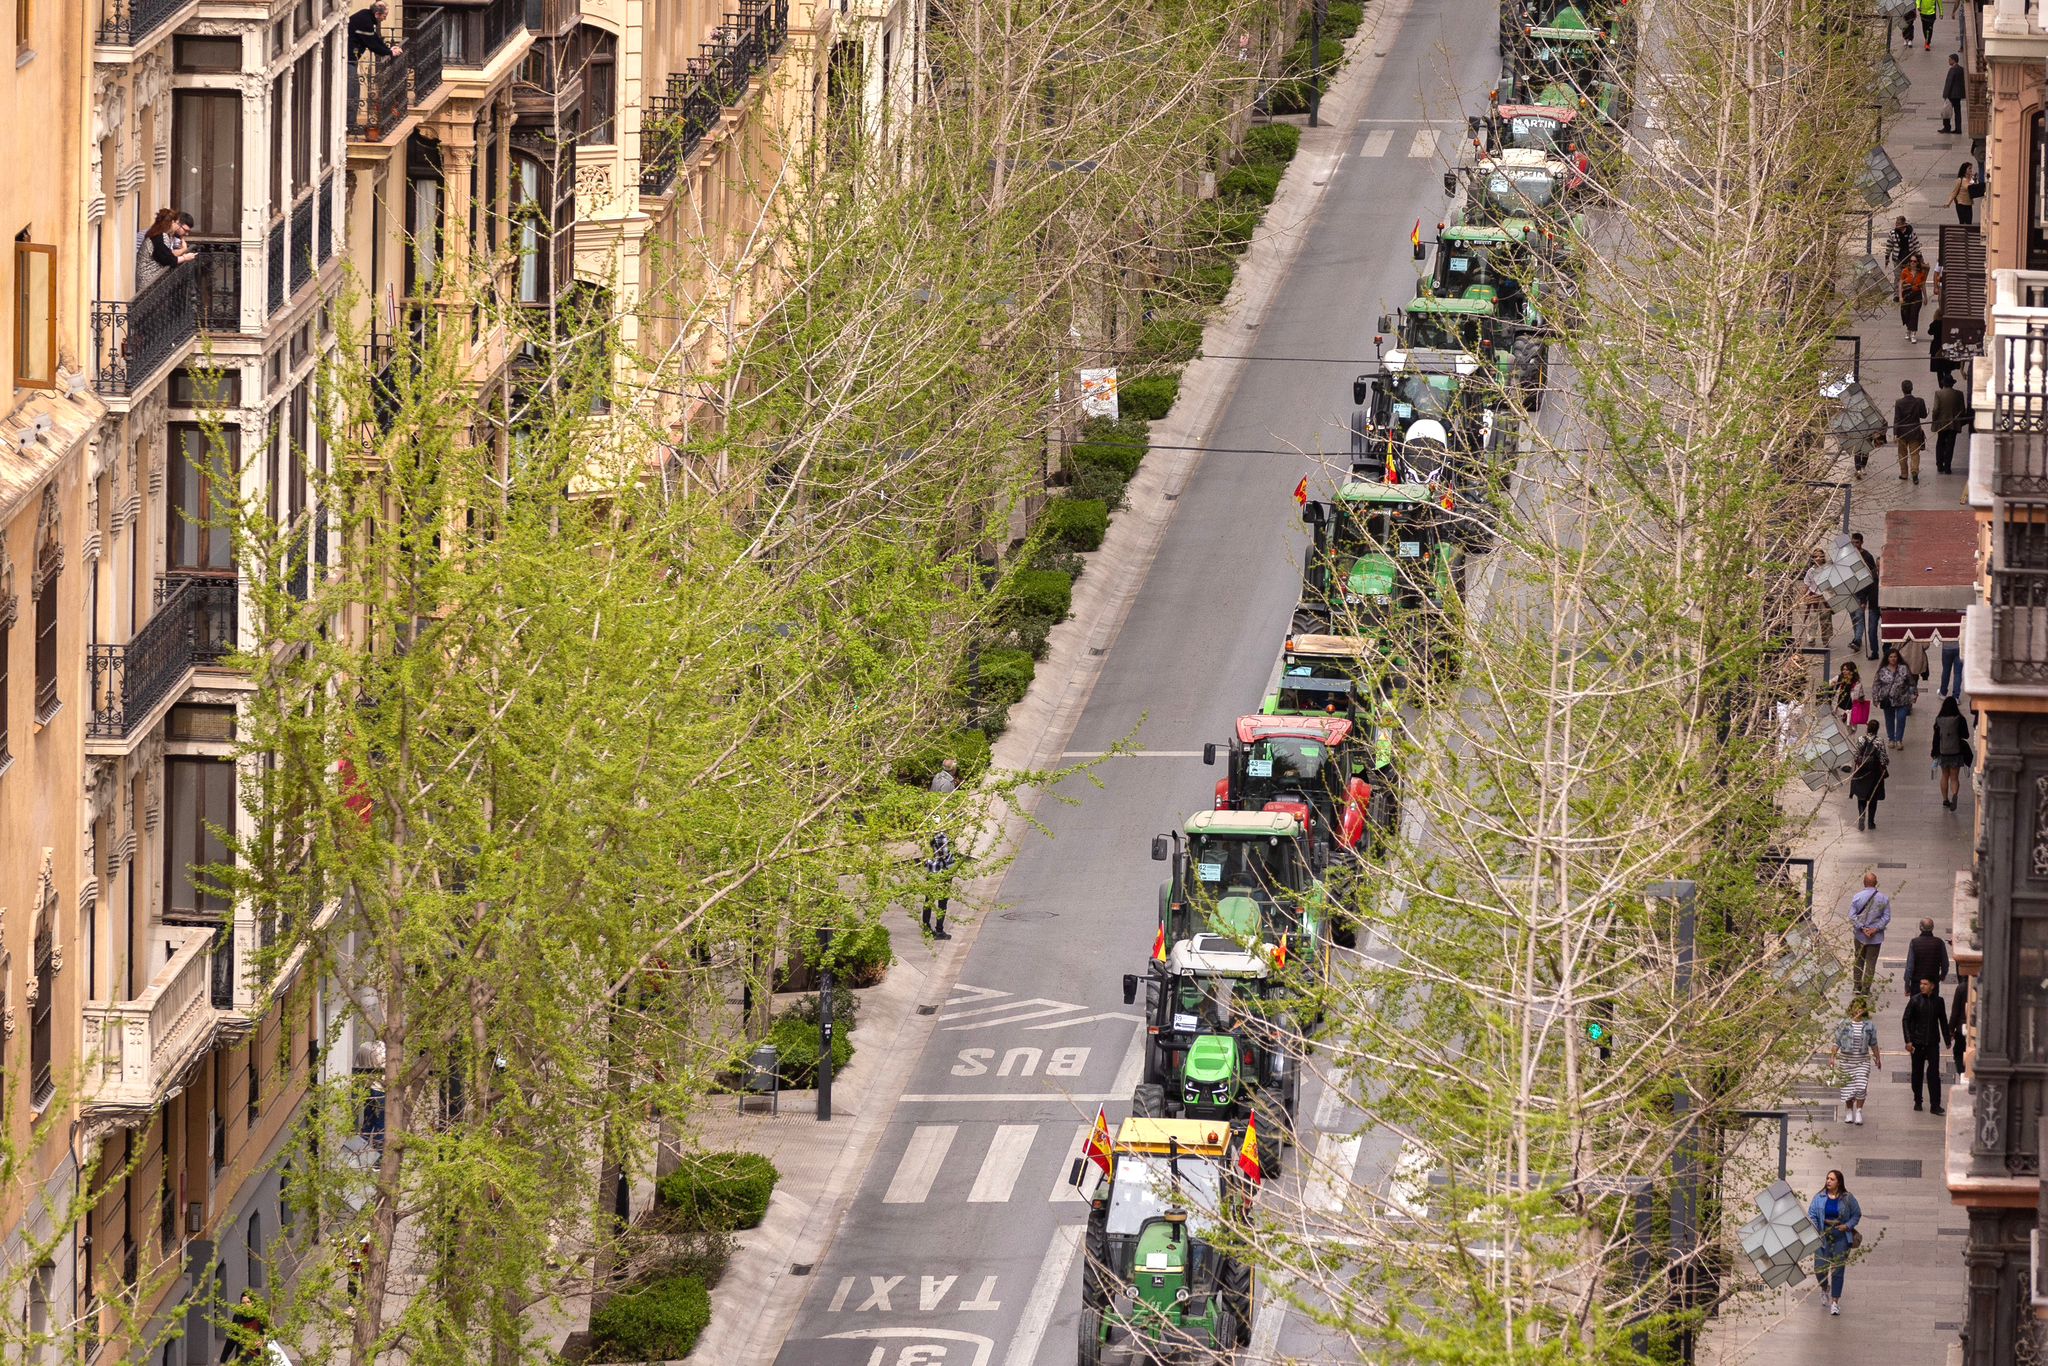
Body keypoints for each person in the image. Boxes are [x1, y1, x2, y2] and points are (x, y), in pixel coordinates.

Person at [1808, 1169, 1863, 1314]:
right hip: (1823, 1236)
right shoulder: (1819, 1197)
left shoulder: (1847, 1198)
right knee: (1819, 1268)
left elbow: (1857, 1214)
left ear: (1839, 1182)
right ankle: (1825, 1287)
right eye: (1827, 1178)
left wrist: (1848, 1225)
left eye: (1832, 1179)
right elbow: (1812, 1214)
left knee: (1838, 1270)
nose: (1828, 1181)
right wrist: (1816, 1228)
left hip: (1840, 1236)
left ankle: (1835, 1302)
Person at [1903, 976, 1952, 1114]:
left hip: (1932, 1042)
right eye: (1921, 983)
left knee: (1934, 1073)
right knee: (1917, 1073)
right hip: (1917, 1043)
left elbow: (1943, 1020)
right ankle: (1918, 1100)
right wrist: (1908, 1040)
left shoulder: (1938, 1002)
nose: (1922, 986)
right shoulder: (1915, 1001)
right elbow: (1905, 1020)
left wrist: (1947, 1039)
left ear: (1932, 986)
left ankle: (1935, 1105)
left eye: (1925, 984)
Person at [1832, 999, 1882, 1126]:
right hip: (1846, 1060)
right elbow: (1836, 1041)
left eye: (1860, 1008)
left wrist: (1877, 1058)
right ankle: (1849, 1110)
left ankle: (1859, 1111)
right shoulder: (1844, 1024)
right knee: (1848, 1088)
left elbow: (1874, 1043)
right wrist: (1832, 1056)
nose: (1858, 1010)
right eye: (1855, 1007)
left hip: (1862, 1060)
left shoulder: (1869, 1025)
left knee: (1861, 1085)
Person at [1848, 872, 1892, 997]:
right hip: (1875, 937)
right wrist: (1875, 929)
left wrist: (1862, 928)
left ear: (1864, 882)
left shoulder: (1857, 897)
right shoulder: (1883, 898)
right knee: (1871, 962)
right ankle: (1866, 989)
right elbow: (1886, 916)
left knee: (1858, 959)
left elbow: (1852, 916)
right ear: (1876, 882)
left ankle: (1857, 985)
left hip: (1859, 935)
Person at [1931, 694, 1972, 809]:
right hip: (1956, 752)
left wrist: (1934, 752)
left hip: (1943, 752)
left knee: (1945, 775)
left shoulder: (1938, 720)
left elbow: (1936, 738)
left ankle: (1945, 799)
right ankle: (1954, 795)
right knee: (1954, 777)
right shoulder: (1960, 719)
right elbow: (1966, 735)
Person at [1873, 647, 1917, 749]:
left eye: (1895, 657)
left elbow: (1911, 682)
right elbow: (1876, 684)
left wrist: (1913, 694)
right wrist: (1875, 697)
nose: (1893, 659)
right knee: (1889, 720)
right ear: (1887, 658)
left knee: (1901, 718)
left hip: (1902, 699)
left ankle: (1899, 739)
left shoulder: (1904, 668)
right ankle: (1891, 739)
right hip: (1887, 700)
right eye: (1891, 657)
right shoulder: (1882, 670)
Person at [1850, 720, 1889, 831]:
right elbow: (1884, 758)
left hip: (1862, 772)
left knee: (1861, 796)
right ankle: (1871, 822)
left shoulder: (1861, 739)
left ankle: (1862, 815)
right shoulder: (1879, 741)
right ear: (1877, 729)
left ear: (1867, 728)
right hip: (1874, 773)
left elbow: (1856, 755)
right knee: (1873, 798)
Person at [1849, 532, 1879, 660]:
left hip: (1862, 592)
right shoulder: (1848, 556)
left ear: (1861, 542)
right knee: (1854, 618)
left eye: (1857, 542)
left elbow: (1871, 577)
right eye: (1853, 542)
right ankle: (1857, 638)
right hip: (1850, 591)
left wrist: (1864, 598)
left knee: (1860, 616)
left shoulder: (1867, 556)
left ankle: (1857, 640)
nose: (1855, 545)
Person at [1930, 373, 1966, 475]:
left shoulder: (1938, 393)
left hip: (1941, 423)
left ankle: (1940, 465)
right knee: (1950, 445)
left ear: (1943, 384)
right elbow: (1962, 410)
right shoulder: (1959, 394)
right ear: (1952, 384)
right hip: (1954, 424)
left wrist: (1934, 420)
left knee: (1940, 443)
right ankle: (1948, 466)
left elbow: (1936, 409)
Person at [922, 829, 955, 940]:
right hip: (942, 871)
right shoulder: (941, 836)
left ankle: (926, 926)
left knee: (929, 900)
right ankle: (939, 929)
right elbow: (945, 854)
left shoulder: (926, 834)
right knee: (942, 901)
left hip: (931, 870)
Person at [220, 1289, 266, 1364]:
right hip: (243, 1357)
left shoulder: (261, 1317)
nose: (245, 1305)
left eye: (248, 1302)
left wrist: (263, 1340)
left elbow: (272, 1332)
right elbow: (232, 1338)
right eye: (243, 1303)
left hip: (258, 1356)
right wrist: (223, 1359)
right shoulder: (238, 1317)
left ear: (253, 1303)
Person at [1903, 917, 1949, 992]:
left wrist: (1907, 985)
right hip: (1933, 983)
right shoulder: (1939, 943)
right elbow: (1945, 964)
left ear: (1920, 928)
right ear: (1933, 928)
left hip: (1917, 983)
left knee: (1916, 1002)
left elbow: (1909, 967)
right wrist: (1942, 976)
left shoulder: (1914, 942)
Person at [1800, 548, 1831, 646]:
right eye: (1815, 556)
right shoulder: (1810, 571)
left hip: (1825, 597)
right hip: (1813, 597)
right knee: (1813, 619)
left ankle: (1826, 640)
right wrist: (1801, 598)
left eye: (1820, 556)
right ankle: (1811, 638)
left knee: (1826, 620)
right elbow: (1806, 584)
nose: (1818, 558)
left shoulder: (1827, 569)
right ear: (1812, 558)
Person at [1898, 255, 1929, 346]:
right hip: (1907, 294)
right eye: (1911, 261)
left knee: (1914, 313)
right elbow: (1900, 284)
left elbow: (1923, 285)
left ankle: (1913, 333)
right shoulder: (1905, 271)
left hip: (1917, 295)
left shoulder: (1921, 274)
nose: (1912, 263)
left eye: (1915, 261)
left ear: (1918, 263)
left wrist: (1925, 297)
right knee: (1905, 313)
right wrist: (1900, 296)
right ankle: (1908, 329)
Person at [1949, 973, 1970, 1076]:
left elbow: (1955, 1012)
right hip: (1972, 1029)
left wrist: (1950, 1030)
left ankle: (1962, 1072)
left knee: (1959, 1052)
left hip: (1962, 1029)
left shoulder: (1961, 988)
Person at [1941, 53, 1967, 133]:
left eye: (1949, 59)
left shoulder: (1952, 70)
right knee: (1957, 112)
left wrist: (1945, 95)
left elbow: (1949, 83)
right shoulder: (1961, 69)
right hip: (1958, 95)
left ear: (1953, 60)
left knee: (1946, 111)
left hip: (1951, 94)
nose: (1948, 61)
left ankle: (1947, 127)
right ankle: (1958, 129)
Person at [1939, 628, 1963, 698]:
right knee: (1958, 673)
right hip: (1959, 647)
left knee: (1946, 671)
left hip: (1946, 647)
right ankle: (1956, 696)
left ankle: (1943, 692)